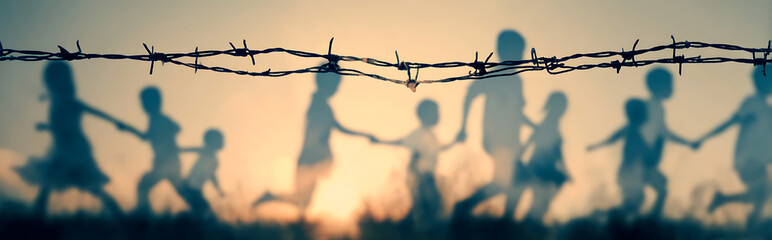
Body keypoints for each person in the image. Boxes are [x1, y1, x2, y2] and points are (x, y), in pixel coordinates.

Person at [15, 61, 124, 217]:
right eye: (51, 80)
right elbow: (60, 124)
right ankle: (35, 220)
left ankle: (122, 217)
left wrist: (116, 122)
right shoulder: (56, 101)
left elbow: (91, 113)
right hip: (61, 148)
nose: (52, 84)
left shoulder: (69, 102)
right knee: (48, 183)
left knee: (89, 185)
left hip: (75, 149)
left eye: (56, 80)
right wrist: (47, 126)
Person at [252, 72, 371, 213]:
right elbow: (323, 132)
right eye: (335, 85)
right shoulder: (320, 106)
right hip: (311, 159)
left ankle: (273, 199)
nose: (336, 89)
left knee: (303, 201)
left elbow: (334, 128)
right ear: (325, 84)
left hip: (309, 158)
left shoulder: (319, 105)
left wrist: (364, 135)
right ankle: (272, 198)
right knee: (303, 201)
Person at [452, 30, 535, 219]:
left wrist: (534, 126)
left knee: (515, 180)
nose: (520, 56)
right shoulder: (495, 74)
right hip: (497, 138)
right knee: (511, 181)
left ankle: (504, 221)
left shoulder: (516, 79)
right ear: (502, 50)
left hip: (512, 140)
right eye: (517, 51)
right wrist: (463, 127)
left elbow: (517, 112)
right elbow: (470, 94)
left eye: (521, 52)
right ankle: (466, 208)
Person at [697, 67, 771, 229]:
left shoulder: (767, 110)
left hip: (759, 161)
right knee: (763, 195)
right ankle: (752, 228)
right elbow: (730, 122)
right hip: (748, 160)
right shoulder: (752, 103)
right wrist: (704, 138)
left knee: (763, 195)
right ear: (762, 83)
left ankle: (724, 201)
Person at [369, 99, 456, 232]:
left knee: (428, 209)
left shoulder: (431, 135)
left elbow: (439, 148)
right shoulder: (419, 134)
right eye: (436, 112)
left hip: (426, 177)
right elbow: (401, 142)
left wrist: (455, 142)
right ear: (425, 115)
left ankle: (409, 231)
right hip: (423, 177)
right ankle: (408, 231)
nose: (439, 115)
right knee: (429, 209)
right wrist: (380, 141)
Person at [116, 86, 188, 216]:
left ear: (156, 102)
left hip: (167, 161)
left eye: (146, 102)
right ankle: (144, 212)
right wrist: (127, 128)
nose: (144, 106)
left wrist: (163, 135)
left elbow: (177, 128)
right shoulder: (154, 120)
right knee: (180, 189)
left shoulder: (159, 119)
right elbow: (146, 137)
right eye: (143, 103)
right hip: (165, 161)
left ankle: (144, 213)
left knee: (143, 186)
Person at [639, 68, 699, 217]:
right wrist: (688, 143)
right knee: (657, 191)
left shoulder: (656, 107)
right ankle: (649, 223)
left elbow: (663, 132)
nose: (672, 88)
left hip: (645, 159)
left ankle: (646, 222)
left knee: (659, 189)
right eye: (670, 84)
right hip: (644, 159)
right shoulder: (653, 107)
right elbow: (661, 133)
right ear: (660, 86)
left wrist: (687, 142)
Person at [587, 99, 651, 219]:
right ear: (639, 115)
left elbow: (612, 139)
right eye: (645, 113)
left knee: (633, 203)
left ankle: (605, 216)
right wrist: (596, 146)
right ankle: (603, 215)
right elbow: (612, 139)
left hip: (629, 172)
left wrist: (595, 146)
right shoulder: (633, 132)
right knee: (634, 202)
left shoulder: (632, 131)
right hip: (630, 173)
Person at [513, 91, 569, 222]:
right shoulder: (549, 122)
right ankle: (527, 223)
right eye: (562, 106)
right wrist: (520, 155)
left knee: (540, 200)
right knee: (539, 200)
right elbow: (536, 139)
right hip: (540, 167)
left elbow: (555, 149)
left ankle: (528, 223)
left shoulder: (552, 122)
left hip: (542, 167)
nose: (564, 110)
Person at [179, 128, 226, 217]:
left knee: (201, 210)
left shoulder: (214, 160)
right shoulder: (207, 152)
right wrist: (180, 150)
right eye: (219, 139)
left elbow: (212, 176)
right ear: (210, 141)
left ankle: (188, 224)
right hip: (190, 188)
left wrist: (219, 190)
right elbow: (196, 149)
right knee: (204, 210)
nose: (222, 141)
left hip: (196, 189)